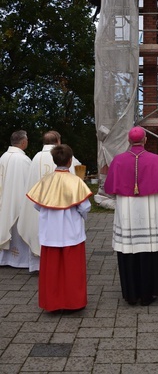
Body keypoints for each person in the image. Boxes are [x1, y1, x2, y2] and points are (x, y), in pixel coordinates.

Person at [104, 126, 158, 306]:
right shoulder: (155, 160)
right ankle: (149, 293)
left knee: (129, 248)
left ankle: (132, 294)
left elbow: (110, 189)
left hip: (126, 211)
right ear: (145, 140)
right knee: (149, 248)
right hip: (150, 208)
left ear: (128, 140)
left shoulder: (118, 161)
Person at [26, 144, 92, 312]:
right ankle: (74, 303)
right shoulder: (75, 181)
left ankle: (52, 303)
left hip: (50, 233)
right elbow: (84, 207)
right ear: (70, 161)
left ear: (54, 160)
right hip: (71, 232)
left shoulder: (45, 181)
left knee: (51, 271)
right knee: (72, 270)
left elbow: (37, 206)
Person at [17, 130, 81, 261]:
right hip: (64, 209)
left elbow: (31, 184)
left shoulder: (36, 157)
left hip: (40, 207)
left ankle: (37, 264)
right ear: (58, 141)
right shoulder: (66, 155)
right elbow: (77, 172)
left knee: (38, 229)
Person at [0, 130, 39, 271]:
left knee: (6, 226)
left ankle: (5, 259)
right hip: (18, 203)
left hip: (5, 202)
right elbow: (30, 183)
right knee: (20, 227)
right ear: (23, 142)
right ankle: (20, 260)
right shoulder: (23, 160)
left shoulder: (3, 157)